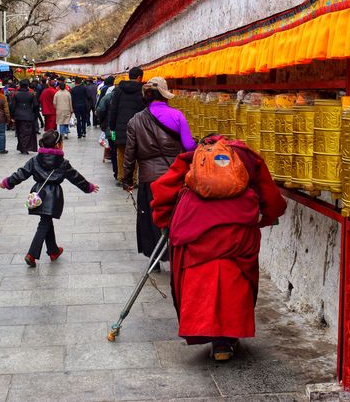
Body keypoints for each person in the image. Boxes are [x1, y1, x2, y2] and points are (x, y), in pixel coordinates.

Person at [150, 134, 286, 361]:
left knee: (200, 282)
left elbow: (164, 190)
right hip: (238, 232)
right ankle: (226, 338)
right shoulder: (246, 157)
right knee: (236, 281)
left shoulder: (193, 156)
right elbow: (271, 196)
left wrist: (165, 221)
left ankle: (211, 334)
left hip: (195, 229)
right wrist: (268, 216)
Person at [0, 130, 99, 267]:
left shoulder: (35, 160)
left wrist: (8, 182)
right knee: (44, 223)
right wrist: (89, 187)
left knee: (46, 220)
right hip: (53, 196)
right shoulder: (62, 163)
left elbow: (22, 173)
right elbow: (76, 177)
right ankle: (32, 254)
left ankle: (53, 250)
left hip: (39, 193)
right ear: (58, 145)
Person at [122, 76, 196, 262]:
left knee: (150, 218)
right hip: (175, 176)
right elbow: (189, 146)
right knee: (176, 216)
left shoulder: (135, 121)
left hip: (149, 178)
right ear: (165, 95)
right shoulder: (177, 115)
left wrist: (128, 180)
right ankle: (176, 256)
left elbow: (130, 154)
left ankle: (153, 258)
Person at [109, 67, 146, 184]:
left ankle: (121, 177)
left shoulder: (119, 89)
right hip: (136, 127)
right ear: (139, 77)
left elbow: (113, 109)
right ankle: (133, 179)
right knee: (134, 153)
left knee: (121, 152)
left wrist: (112, 127)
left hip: (120, 127)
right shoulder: (142, 91)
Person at [11, 79, 39, 154]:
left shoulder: (16, 94)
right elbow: (36, 105)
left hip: (18, 115)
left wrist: (12, 115)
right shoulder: (31, 94)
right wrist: (34, 114)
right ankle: (25, 148)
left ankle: (22, 147)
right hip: (28, 115)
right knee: (27, 132)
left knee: (20, 132)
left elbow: (12, 106)